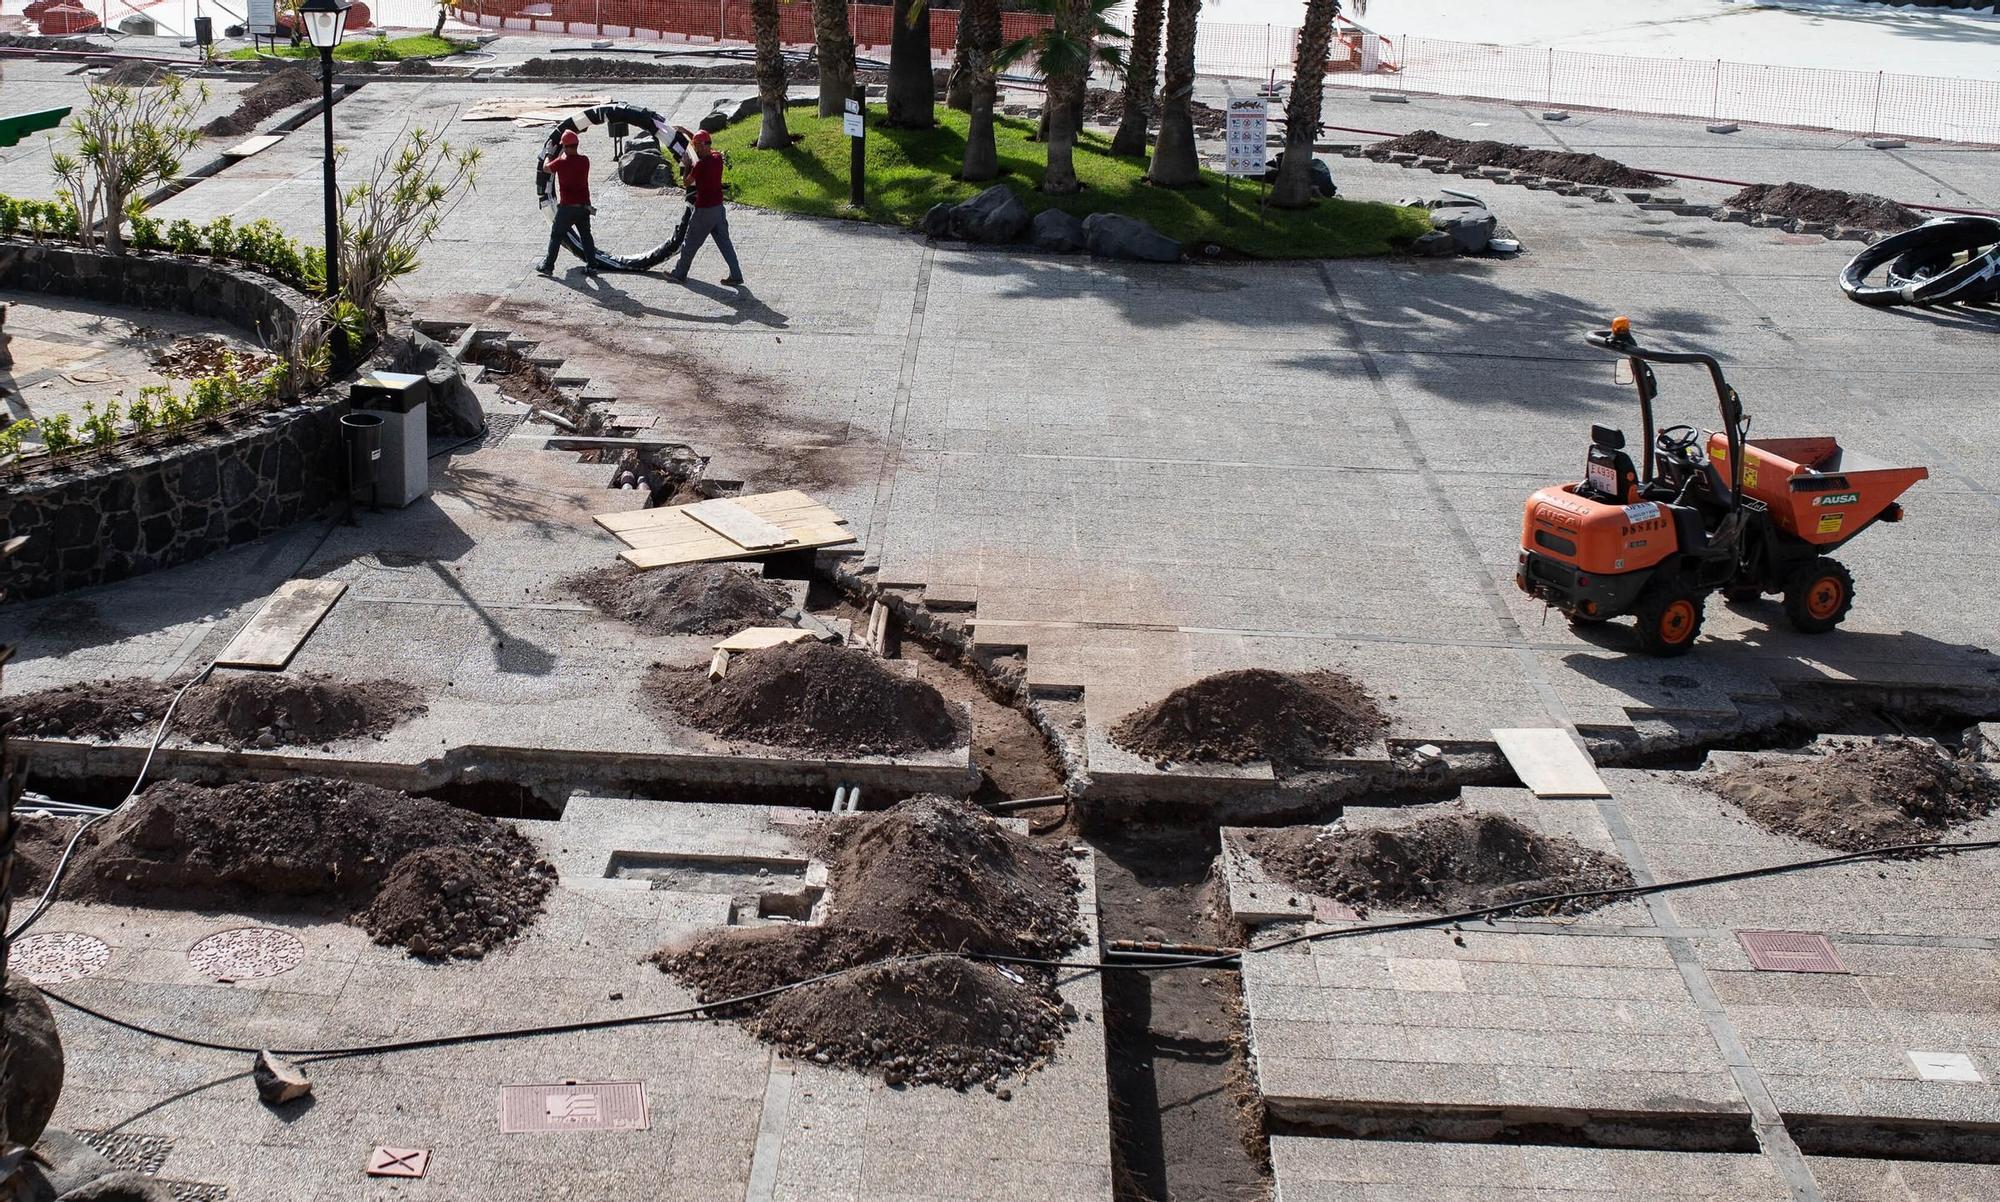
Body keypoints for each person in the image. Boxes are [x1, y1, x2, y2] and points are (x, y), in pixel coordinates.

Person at [668, 129, 744, 287]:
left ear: (702, 147)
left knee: (690, 243)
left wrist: (688, 165)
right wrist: (686, 132)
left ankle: (679, 274)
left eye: (696, 147)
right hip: (718, 209)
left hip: (704, 211)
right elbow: (701, 142)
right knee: (725, 243)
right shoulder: (717, 158)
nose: (695, 149)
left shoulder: (700, 166)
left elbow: (687, 183)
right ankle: (736, 275)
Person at [537, 130, 598, 277]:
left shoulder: (561, 162)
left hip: (567, 209)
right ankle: (592, 266)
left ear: (564, 147)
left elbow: (546, 168)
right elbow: (570, 158)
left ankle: (548, 266)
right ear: (577, 145)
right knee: (586, 236)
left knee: (556, 235)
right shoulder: (585, 161)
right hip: (584, 207)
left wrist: (548, 154)